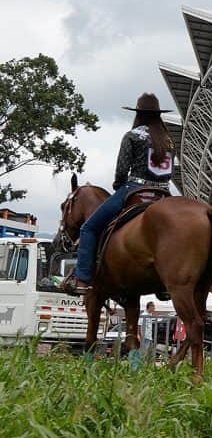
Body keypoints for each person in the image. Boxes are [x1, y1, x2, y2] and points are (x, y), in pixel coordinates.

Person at [62, 94, 174, 295]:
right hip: (164, 193)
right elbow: (170, 172)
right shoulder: (167, 140)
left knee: (88, 228)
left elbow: (122, 170)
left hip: (135, 190)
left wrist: (118, 185)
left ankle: (83, 278)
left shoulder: (132, 136)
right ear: (158, 116)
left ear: (138, 114)